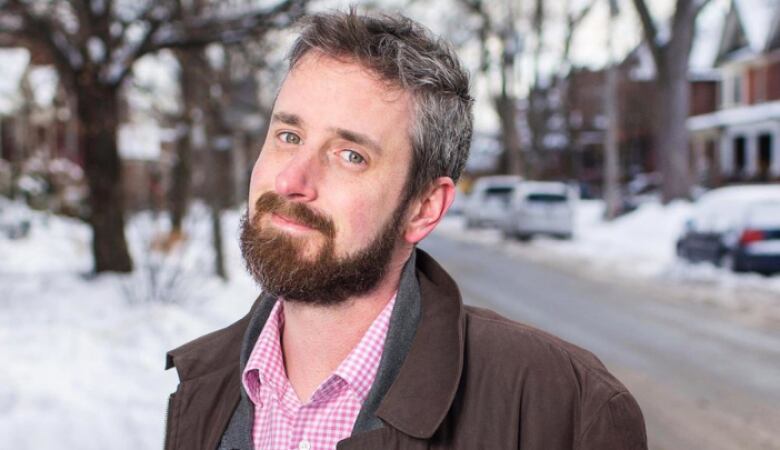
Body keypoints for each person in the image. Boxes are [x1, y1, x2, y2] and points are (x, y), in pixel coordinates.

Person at [164, 10, 647, 450]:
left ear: (423, 208)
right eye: (288, 137)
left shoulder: (568, 409)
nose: (292, 180)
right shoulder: (202, 387)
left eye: (350, 155)